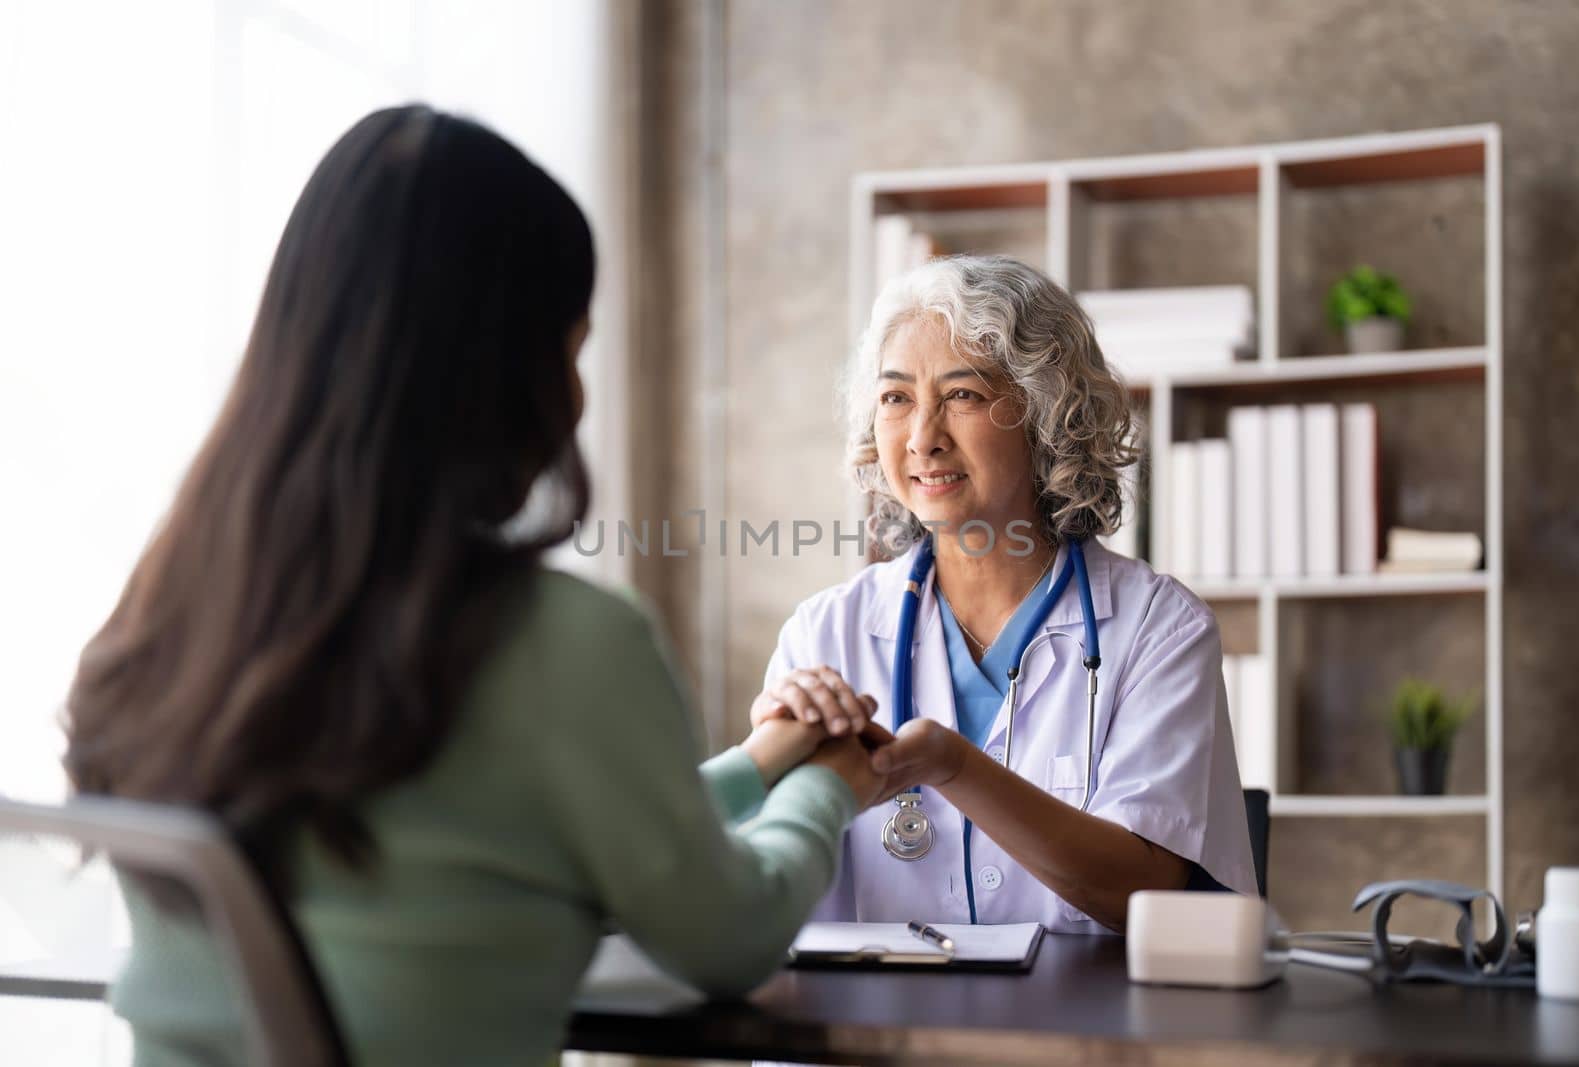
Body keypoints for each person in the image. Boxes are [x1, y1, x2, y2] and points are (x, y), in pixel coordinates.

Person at [61, 105, 881, 1066]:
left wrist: (761, 759)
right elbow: (729, 936)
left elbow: (485, 825)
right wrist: (826, 789)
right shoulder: (564, 642)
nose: (577, 394)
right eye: (571, 349)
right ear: (508, 370)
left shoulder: (169, 617)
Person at [750, 255, 1255, 935]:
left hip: (1084, 1038)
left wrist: (955, 767)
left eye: (962, 395)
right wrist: (769, 763)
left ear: (1047, 414)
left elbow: (1147, 890)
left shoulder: (1157, 629)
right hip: (877, 1035)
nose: (923, 437)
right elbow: (758, 892)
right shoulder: (822, 634)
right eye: (896, 398)